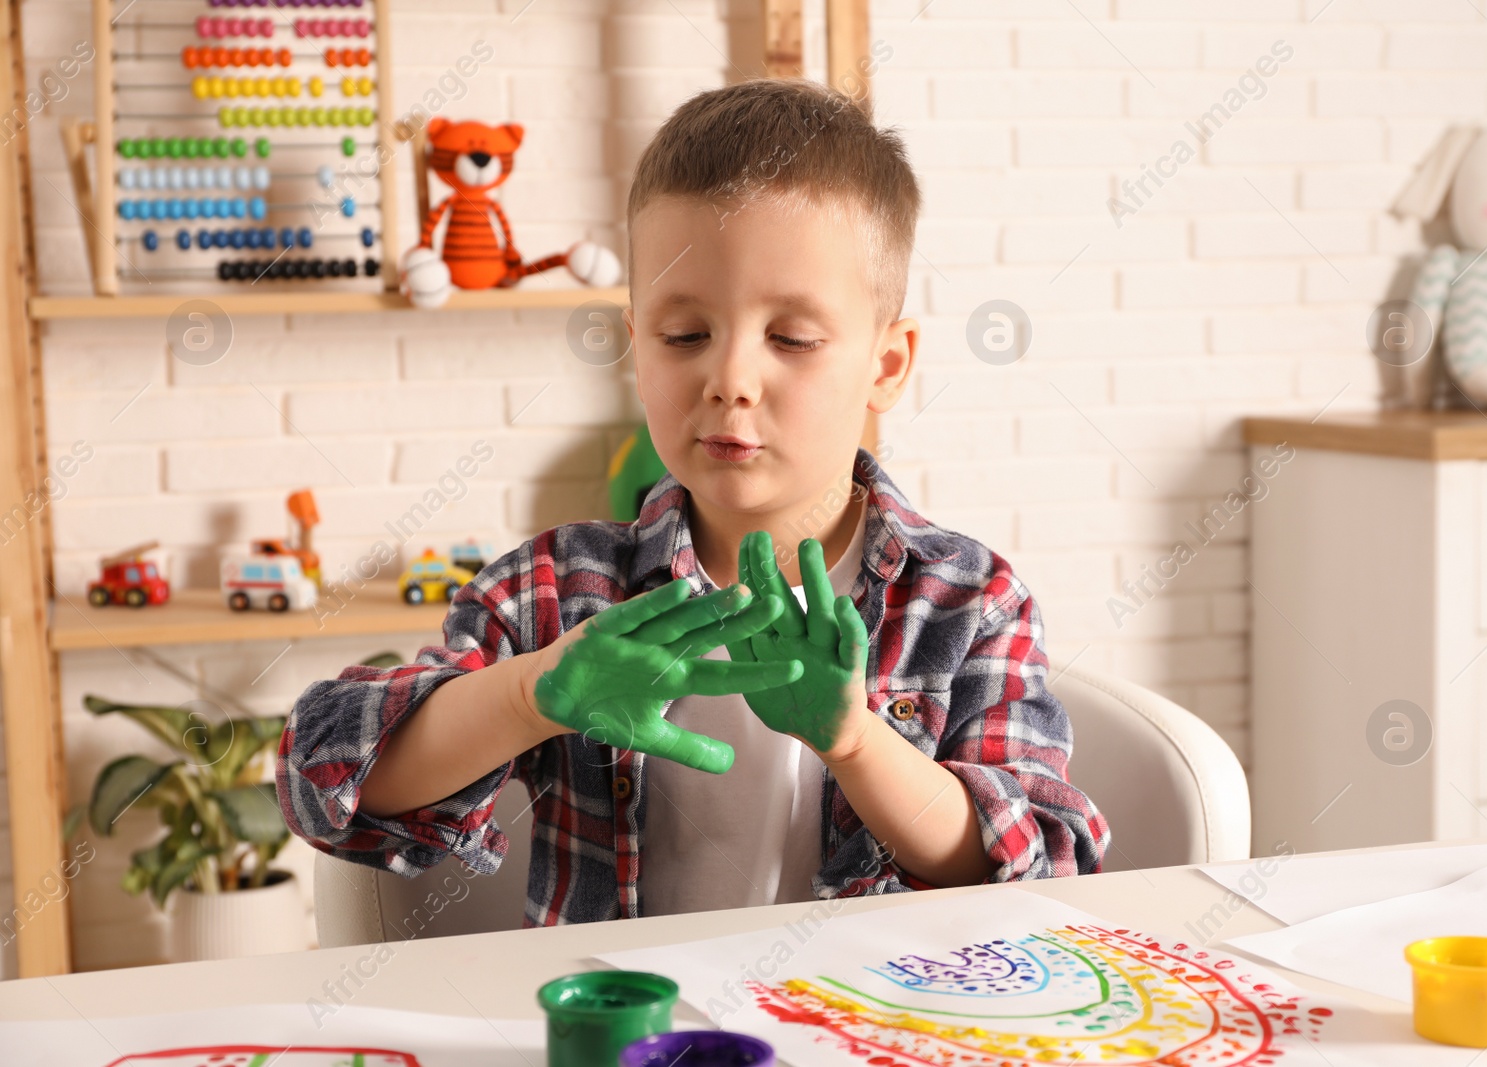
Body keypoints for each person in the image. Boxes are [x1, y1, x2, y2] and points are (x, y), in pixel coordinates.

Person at [277, 77, 1108, 927]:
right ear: (639, 346)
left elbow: (1042, 864)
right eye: (684, 336)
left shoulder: (966, 600)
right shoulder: (560, 588)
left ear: (886, 366)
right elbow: (320, 775)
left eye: (791, 338)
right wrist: (531, 696)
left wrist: (858, 742)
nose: (729, 381)